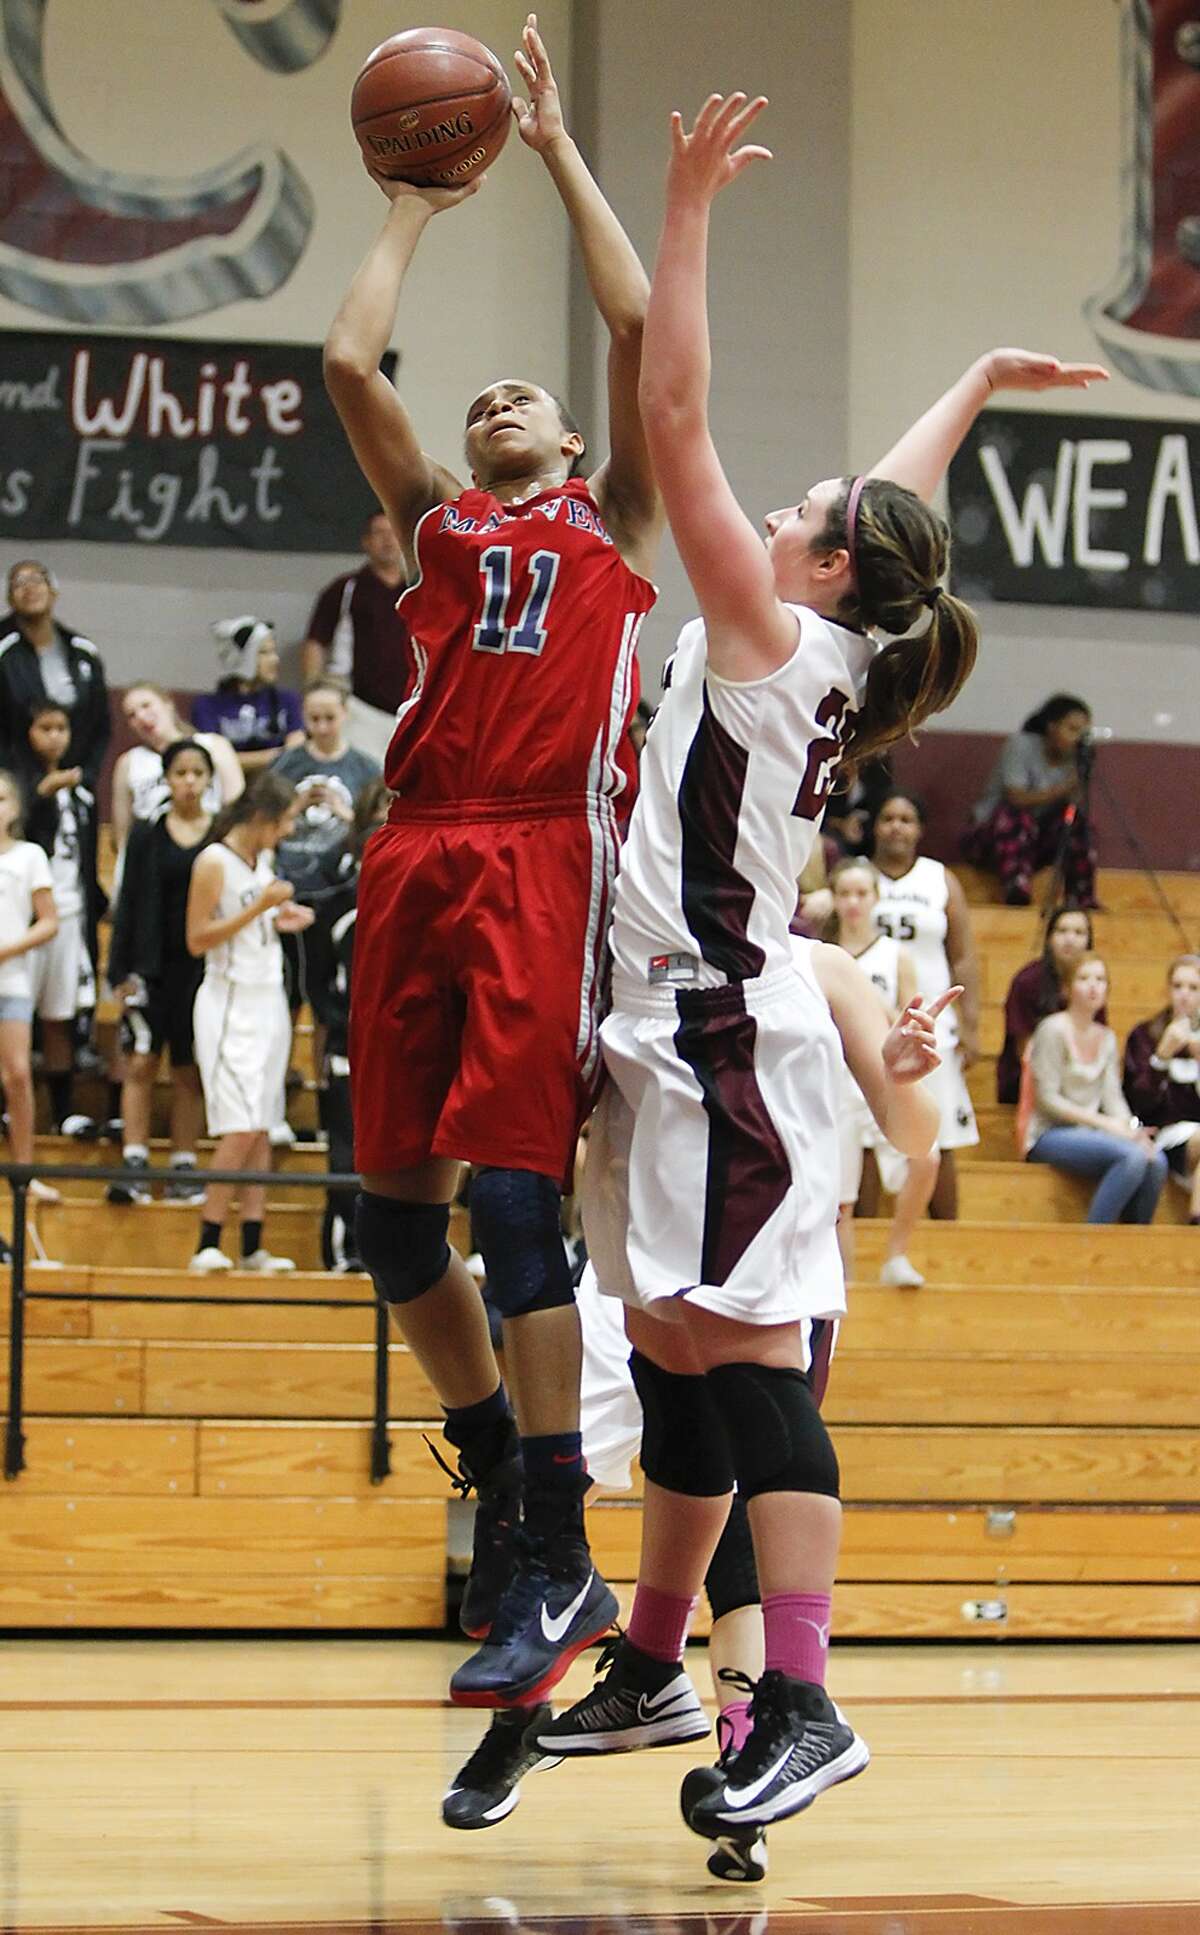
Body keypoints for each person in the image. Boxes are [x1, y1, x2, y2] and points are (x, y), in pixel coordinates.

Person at [532, 91, 1102, 1850]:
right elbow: (891, 499)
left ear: (827, 567)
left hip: (719, 1027)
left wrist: (686, 207)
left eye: (804, 509)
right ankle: (662, 1667)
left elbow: (677, 411)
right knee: (684, 1349)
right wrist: (978, 390)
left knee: (748, 1358)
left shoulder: (769, 634)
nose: (772, 508)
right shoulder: (842, 623)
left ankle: (806, 1695)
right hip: (672, 1023)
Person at [325, 14, 662, 1714]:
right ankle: (504, 1494)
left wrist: (543, 145)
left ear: (582, 451)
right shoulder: (442, 530)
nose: (502, 396)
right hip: (413, 859)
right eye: (488, 397)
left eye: (528, 396)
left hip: (542, 861)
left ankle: (555, 1547)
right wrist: (409, 202)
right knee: (391, 1228)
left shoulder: (618, 526)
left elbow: (631, 324)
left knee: (518, 1206)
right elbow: (349, 371)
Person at [185, 772, 313, 1273]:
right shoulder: (213, 861)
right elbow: (197, 938)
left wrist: (279, 918)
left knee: (262, 1126)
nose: (285, 833)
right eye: (282, 823)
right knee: (239, 1127)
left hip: (268, 998)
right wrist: (260, 906)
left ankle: (254, 1244)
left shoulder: (262, 861)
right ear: (261, 819)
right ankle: (207, 1241)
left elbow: (250, 920)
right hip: (229, 1000)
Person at [106, 740, 216, 1206]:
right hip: (152, 967)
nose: (188, 781)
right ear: (166, 779)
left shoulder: (221, 835)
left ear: (209, 779)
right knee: (142, 1061)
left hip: (204, 969)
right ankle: (134, 1162)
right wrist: (120, 971)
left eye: (197, 772)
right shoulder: (147, 835)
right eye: (180, 773)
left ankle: (185, 1166)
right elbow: (128, 904)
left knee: (189, 1067)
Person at [826, 858, 940, 1287]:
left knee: (924, 1158)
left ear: (876, 898)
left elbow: (913, 1021)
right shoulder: (823, 953)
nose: (853, 902)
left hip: (879, 1073)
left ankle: (897, 1254)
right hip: (834, 1081)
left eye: (862, 893)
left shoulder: (896, 955)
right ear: (834, 900)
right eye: (845, 893)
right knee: (840, 1200)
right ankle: (845, 1290)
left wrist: (870, 1009)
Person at [870, 791, 981, 1217]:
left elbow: (964, 956)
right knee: (867, 1138)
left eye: (906, 819)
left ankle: (945, 1241)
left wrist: (970, 1026)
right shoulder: (856, 877)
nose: (897, 826)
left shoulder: (940, 879)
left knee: (943, 1134)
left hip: (932, 1028)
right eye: (888, 817)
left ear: (919, 830)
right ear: (875, 827)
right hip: (869, 1020)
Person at [304, 776, 391, 1272]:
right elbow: (318, 981)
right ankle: (346, 1250)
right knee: (347, 1151)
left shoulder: (427, 883)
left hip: (401, 1048)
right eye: (378, 815)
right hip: (347, 1046)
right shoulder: (339, 895)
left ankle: (389, 1253)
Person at [1024, 954, 1167, 1223]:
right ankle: (1093, 1238)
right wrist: (1106, 1124)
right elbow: (1048, 1100)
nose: (1093, 986)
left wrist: (1131, 1130)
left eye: (1100, 980)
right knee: (1132, 1158)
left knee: (1156, 1160)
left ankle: (1134, 1245)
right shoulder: (1052, 1029)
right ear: (1066, 988)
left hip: (1092, 1133)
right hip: (1050, 1133)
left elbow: (1113, 1097)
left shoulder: (1107, 1037)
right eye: (1084, 978)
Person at [18, 702, 103, 1136]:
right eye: (44, 727)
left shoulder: (83, 791)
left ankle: (63, 1111)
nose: (54, 736)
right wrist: (38, 797)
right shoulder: (16, 782)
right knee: (14, 1015)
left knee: (59, 1015)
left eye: (62, 728)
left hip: (72, 912)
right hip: (23, 917)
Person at [964, 692, 1097, 907]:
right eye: (1072, 730)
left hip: (1037, 842)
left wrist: (1081, 777)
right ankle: (1016, 890)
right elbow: (1016, 797)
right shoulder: (1021, 745)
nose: (1078, 738)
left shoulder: (1078, 759)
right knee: (1017, 817)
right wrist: (1064, 788)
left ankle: (1081, 897)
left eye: (1083, 732)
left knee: (1078, 825)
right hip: (994, 836)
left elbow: (1072, 807)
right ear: (1052, 727)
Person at [0, 768, 60, 1227]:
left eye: (2, 798)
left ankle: (24, 1170)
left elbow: (48, 921)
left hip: (12, 980)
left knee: (17, 1074)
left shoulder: (30, 857)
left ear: (16, 808)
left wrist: (7, 948)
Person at [301, 509, 409, 761]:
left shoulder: (418, 588)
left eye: (393, 533)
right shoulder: (347, 589)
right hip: (358, 707)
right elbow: (315, 643)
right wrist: (314, 696)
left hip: (409, 708)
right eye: (379, 534)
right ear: (366, 542)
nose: (388, 540)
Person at [0, 561, 110, 791]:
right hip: (14, 786)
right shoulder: (4, 651)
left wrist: (84, 775)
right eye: (19, 583)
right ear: (9, 598)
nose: (29, 588)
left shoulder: (82, 651)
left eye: (38, 580)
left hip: (74, 784)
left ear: (53, 591)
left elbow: (101, 724)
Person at [270, 679, 382, 901]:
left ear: (345, 713)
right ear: (303, 715)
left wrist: (344, 812)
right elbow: (261, 823)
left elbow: (378, 833)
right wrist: (295, 807)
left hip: (345, 886)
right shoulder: (284, 765)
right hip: (288, 883)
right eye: (314, 719)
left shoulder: (368, 769)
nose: (322, 727)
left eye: (329, 718)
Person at [112, 683, 243, 852]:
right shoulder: (129, 762)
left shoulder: (214, 745)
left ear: (168, 704)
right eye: (132, 715)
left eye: (146, 705)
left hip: (208, 849)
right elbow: (122, 836)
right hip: (153, 857)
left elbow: (238, 811)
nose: (142, 717)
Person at [1123, 954, 1200, 1224]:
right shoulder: (1145, 1035)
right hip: (1165, 1133)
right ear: (1168, 990)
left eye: (1193, 988)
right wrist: (1161, 1058)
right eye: (1178, 986)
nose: (1184, 995)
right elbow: (1139, 1103)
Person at [996, 905, 1096, 1104]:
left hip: (1077, 1080)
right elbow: (1024, 1050)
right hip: (1027, 1081)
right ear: (1049, 938)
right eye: (1062, 931)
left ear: (1089, 941)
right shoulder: (1027, 981)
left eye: (1079, 933)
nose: (1070, 939)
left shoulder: (1093, 983)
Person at [192, 618, 304, 777]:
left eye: (274, 651)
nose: (275, 659)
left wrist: (239, 760)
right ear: (241, 658)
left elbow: (295, 752)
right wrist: (276, 755)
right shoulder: (208, 706)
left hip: (278, 785)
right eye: (264, 653)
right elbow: (213, 758)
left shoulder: (288, 700)